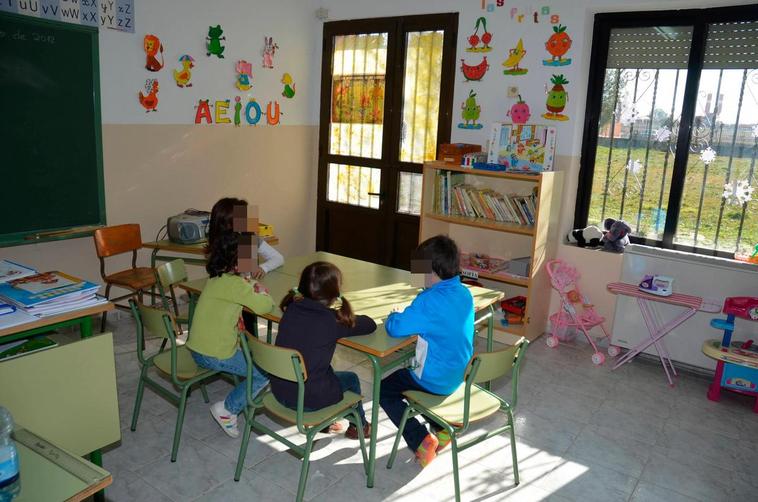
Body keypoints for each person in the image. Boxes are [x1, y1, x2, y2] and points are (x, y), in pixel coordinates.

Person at [379, 235, 474, 467]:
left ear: (432, 272)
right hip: (458, 375)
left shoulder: (428, 301)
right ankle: (443, 429)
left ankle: (420, 439)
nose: (419, 276)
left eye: (421, 271)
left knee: (384, 389)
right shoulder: (464, 293)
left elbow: (395, 328)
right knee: (411, 382)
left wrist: (393, 313)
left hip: (434, 379)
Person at [187, 197, 275, 438]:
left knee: (252, 354)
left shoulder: (217, 279)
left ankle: (239, 397)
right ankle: (227, 409)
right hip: (214, 354)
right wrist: (261, 290)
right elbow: (264, 306)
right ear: (237, 263)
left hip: (198, 347)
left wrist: (250, 285)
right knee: (264, 372)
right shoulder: (237, 285)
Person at [271, 261, 376, 439]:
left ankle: (325, 423)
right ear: (335, 293)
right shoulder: (330, 321)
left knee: (323, 367)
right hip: (307, 400)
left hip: (280, 391)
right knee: (351, 378)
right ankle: (360, 426)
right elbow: (369, 324)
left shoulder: (290, 309)